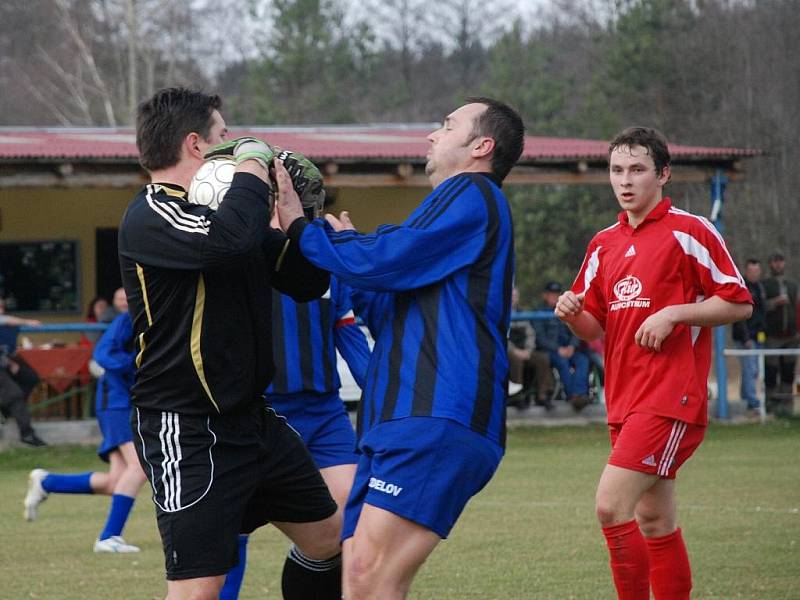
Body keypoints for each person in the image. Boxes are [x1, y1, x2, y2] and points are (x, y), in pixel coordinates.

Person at [274, 97, 523, 600]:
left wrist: (304, 230)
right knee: (363, 576)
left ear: (482, 146)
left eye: (447, 126)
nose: (432, 136)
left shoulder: (473, 192)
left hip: (435, 416)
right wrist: (347, 258)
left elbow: (389, 259)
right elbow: (388, 301)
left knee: (367, 573)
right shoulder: (445, 210)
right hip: (399, 420)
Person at [118, 87, 340, 600]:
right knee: (199, 588)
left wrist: (294, 222)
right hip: (184, 426)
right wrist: (254, 166)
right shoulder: (151, 214)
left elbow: (307, 284)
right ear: (195, 146)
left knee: (329, 540)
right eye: (226, 138)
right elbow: (224, 245)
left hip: (252, 421)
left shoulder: (231, 220)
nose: (237, 147)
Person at [555, 126, 752, 600]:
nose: (626, 181)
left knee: (610, 507)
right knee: (654, 519)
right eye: (617, 170)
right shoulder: (603, 243)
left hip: (670, 395)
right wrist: (572, 315)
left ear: (663, 174)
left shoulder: (692, 232)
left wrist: (674, 313)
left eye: (637, 170)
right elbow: (594, 326)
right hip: (623, 397)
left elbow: (739, 303)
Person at [219, 234, 371, 597]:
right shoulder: (236, 255)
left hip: (323, 413)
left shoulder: (325, 259)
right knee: (229, 531)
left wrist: (386, 392)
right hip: (254, 415)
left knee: (348, 523)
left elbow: (349, 335)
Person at [23, 292, 149, 553]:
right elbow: (102, 354)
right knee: (139, 467)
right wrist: (136, 365)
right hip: (115, 403)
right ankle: (108, 537)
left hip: (125, 404)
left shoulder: (161, 319)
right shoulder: (129, 320)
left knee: (116, 482)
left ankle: (47, 482)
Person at [534, 281, 591, 411]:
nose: (554, 297)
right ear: (545, 295)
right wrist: (557, 349)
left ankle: (580, 394)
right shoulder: (539, 312)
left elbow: (576, 329)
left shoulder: (567, 310)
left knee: (583, 360)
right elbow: (540, 338)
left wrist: (571, 346)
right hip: (552, 351)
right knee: (562, 362)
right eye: (551, 294)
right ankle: (573, 396)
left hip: (569, 349)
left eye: (556, 294)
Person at [0, 297, 46, 447]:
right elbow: (3, 319)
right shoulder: (7, 321)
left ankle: (5, 410)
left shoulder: (8, 325)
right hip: (3, 363)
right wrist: (27, 322)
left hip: (5, 360)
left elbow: (9, 348)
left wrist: (10, 360)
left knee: (30, 378)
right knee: (14, 393)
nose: (1, 310)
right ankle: (27, 434)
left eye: (2, 306)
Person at [762, 251, 799, 408]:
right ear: (771, 264)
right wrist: (774, 303)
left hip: (791, 336)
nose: (778, 264)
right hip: (772, 336)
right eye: (775, 261)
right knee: (771, 370)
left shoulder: (793, 285)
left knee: (788, 371)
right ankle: (770, 405)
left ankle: (787, 405)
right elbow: (760, 307)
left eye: (781, 261)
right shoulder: (765, 284)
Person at [507, 286, 554, 409]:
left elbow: (530, 334)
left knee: (542, 358)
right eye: (510, 295)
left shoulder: (523, 314)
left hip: (525, 350)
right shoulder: (500, 314)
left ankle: (543, 395)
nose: (512, 298)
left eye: (515, 296)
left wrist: (528, 350)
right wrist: (515, 351)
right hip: (509, 351)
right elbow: (501, 336)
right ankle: (516, 396)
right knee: (515, 359)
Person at [731, 258, 766, 412]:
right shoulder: (741, 286)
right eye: (752, 271)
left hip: (758, 335)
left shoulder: (759, 288)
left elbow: (761, 313)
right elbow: (739, 315)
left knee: (755, 370)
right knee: (750, 368)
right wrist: (745, 338)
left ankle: (747, 399)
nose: (754, 274)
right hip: (746, 337)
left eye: (757, 271)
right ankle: (750, 401)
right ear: (746, 271)